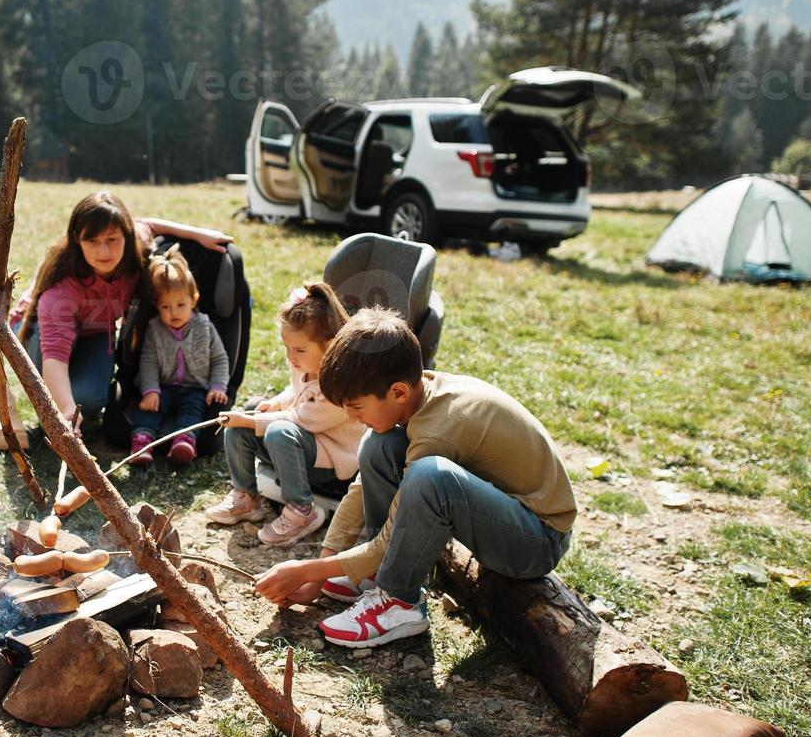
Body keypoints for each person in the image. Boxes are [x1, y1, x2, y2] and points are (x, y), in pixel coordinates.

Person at [252, 309, 575, 650]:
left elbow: (395, 530)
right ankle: (379, 576)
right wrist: (324, 563)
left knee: (429, 476)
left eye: (358, 407)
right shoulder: (421, 393)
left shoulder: (438, 431)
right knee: (378, 445)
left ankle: (399, 601)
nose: (352, 417)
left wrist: (307, 572)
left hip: (535, 542)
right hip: (508, 515)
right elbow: (362, 488)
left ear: (398, 392)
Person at [11, 191, 232, 425]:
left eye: (111, 239)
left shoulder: (134, 246)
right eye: (92, 241)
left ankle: (71, 392)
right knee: (61, 402)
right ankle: (55, 398)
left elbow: (149, 224)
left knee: (91, 401)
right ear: (77, 239)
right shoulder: (61, 290)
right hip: (34, 330)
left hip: (93, 330)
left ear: (125, 235)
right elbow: (55, 356)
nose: (103, 252)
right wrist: (66, 411)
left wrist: (199, 234)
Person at [205, 283, 364, 547]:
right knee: (251, 410)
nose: (291, 357)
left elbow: (305, 418)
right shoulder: (307, 365)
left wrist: (252, 421)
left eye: (300, 350)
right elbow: (296, 391)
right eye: (287, 348)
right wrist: (273, 404)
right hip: (302, 448)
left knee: (276, 430)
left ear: (329, 345)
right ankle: (246, 496)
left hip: (332, 464)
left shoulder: (340, 384)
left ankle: (302, 510)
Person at [125, 247, 230, 466]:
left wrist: (217, 386)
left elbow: (220, 359)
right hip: (164, 386)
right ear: (157, 307)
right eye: (166, 306)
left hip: (196, 387)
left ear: (193, 300)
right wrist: (150, 390)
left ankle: (184, 440)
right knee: (152, 407)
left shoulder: (205, 327)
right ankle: (142, 442)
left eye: (181, 305)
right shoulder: (155, 329)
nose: (174, 312)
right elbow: (149, 362)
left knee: (193, 408)